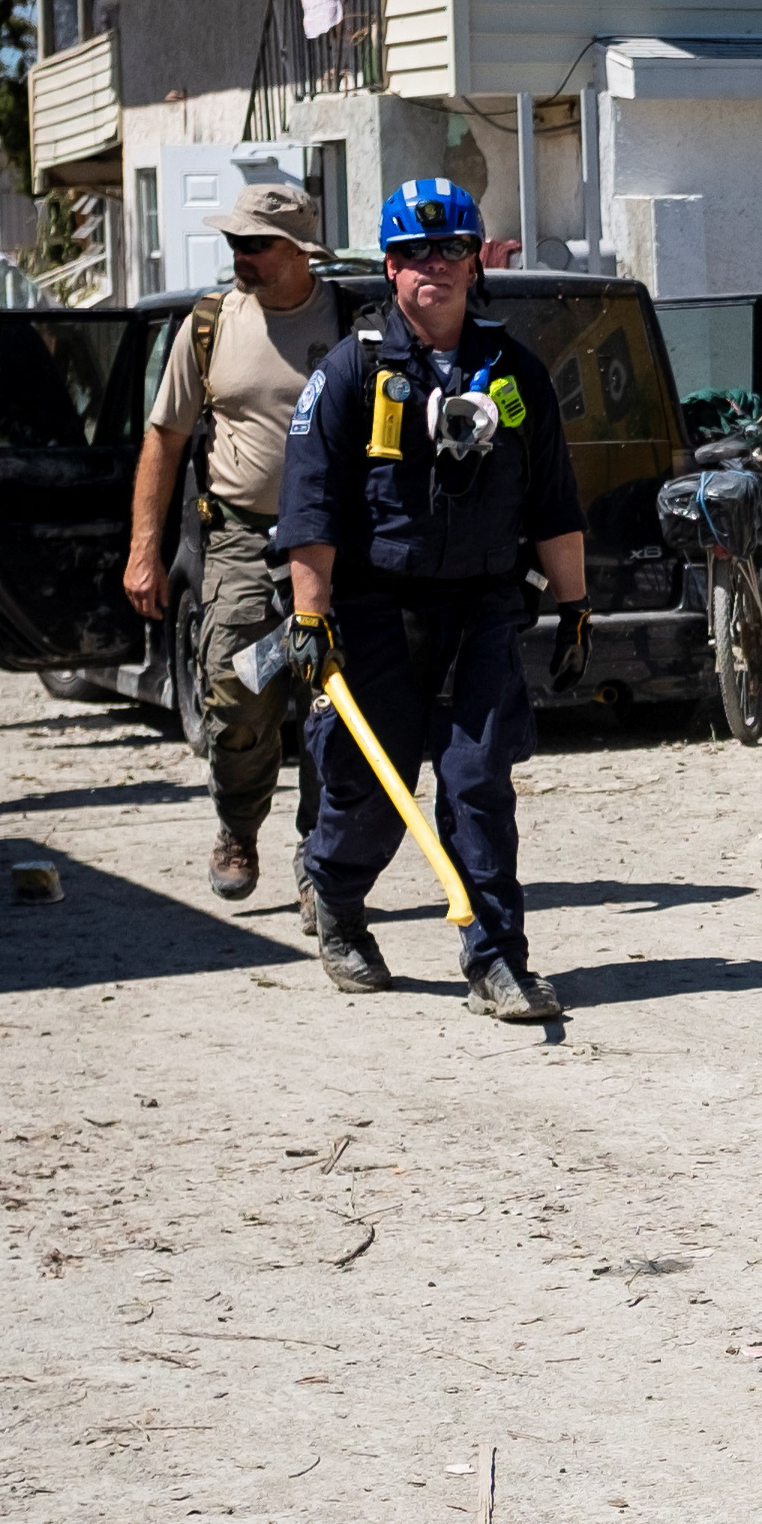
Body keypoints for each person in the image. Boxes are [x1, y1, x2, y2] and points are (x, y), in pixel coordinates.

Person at [269, 177, 587, 1024]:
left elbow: (553, 498)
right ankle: (335, 897)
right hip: (377, 609)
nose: (434, 267)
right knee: (373, 791)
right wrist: (310, 615)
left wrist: (575, 605)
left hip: (483, 605)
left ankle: (497, 961)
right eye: (415, 252)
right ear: (390, 266)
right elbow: (308, 506)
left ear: (477, 260)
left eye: (451, 248)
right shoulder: (348, 370)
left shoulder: (516, 371)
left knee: (479, 778)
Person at [129, 181, 346, 900]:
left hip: (333, 547)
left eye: (255, 244)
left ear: (298, 251)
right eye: (234, 242)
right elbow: (164, 438)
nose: (240, 256)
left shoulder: (351, 320)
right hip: (241, 548)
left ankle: (322, 860)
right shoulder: (211, 322)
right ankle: (237, 825)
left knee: (332, 701)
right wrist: (144, 551)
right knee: (238, 692)